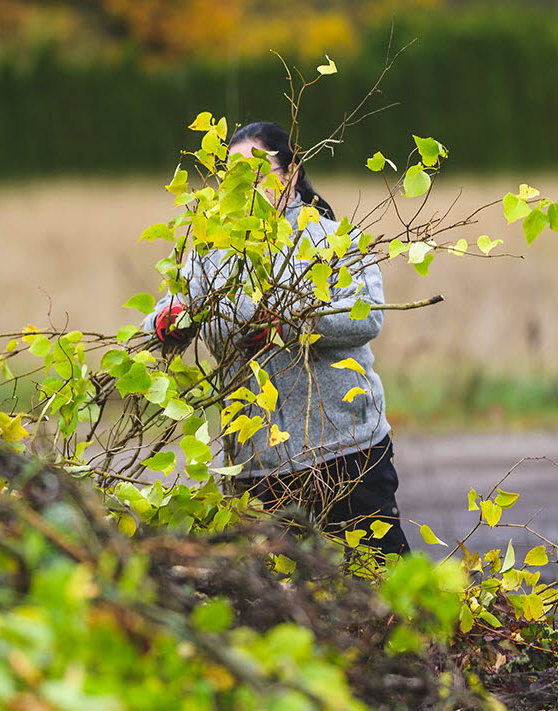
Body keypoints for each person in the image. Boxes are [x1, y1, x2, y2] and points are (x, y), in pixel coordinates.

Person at [142, 121, 410, 556]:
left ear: (291, 171)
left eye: (255, 169)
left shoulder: (334, 240)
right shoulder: (214, 253)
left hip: (345, 451)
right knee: (278, 599)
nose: (241, 184)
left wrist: (285, 323)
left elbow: (367, 317)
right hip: (257, 464)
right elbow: (161, 314)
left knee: (383, 579)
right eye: (232, 175)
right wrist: (165, 322)